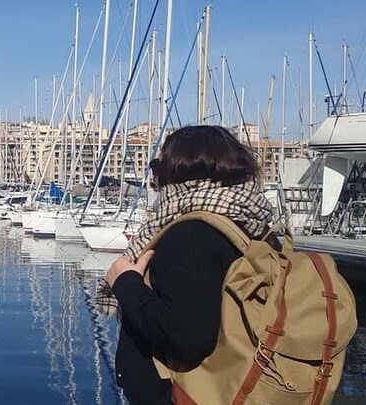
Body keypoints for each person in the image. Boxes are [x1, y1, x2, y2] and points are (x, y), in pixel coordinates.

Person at [103, 125, 274, 404]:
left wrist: (126, 283)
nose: (156, 179)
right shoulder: (249, 224)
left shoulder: (191, 233)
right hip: (238, 386)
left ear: (178, 173)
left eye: (159, 167)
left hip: (184, 395)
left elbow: (186, 337)